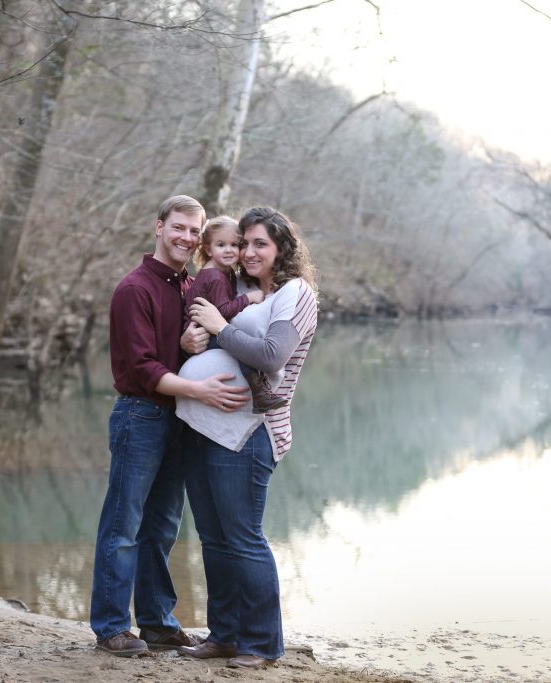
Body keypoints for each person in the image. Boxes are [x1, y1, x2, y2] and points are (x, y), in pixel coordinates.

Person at [89, 195, 249, 657]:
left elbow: (182, 351)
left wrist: (187, 345)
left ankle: (158, 623)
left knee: (161, 527)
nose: (185, 237)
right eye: (178, 227)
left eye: (194, 231)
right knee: (123, 523)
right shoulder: (134, 289)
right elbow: (141, 367)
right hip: (140, 415)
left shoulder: (191, 286)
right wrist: (199, 391)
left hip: (177, 418)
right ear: (158, 227)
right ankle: (111, 627)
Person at [175, 206, 319, 669]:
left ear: (282, 249)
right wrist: (193, 342)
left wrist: (219, 326)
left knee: (242, 537)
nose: (250, 251)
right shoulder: (240, 290)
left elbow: (272, 355)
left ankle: (261, 643)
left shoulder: (295, 294)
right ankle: (225, 634)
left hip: (251, 432)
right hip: (205, 428)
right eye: (245, 242)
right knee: (213, 538)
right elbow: (214, 339)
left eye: (261, 243)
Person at [183, 215, 287, 413]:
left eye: (235, 244)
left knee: (238, 338)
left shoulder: (223, 271)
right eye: (221, 245)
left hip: (206, 330)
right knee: (240, 344)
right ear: (208, 249)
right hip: (202, 335)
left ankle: (260, 390)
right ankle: (259, 394)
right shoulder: (215, 276)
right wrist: (249, 298)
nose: (229, 250)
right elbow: (221, 312)